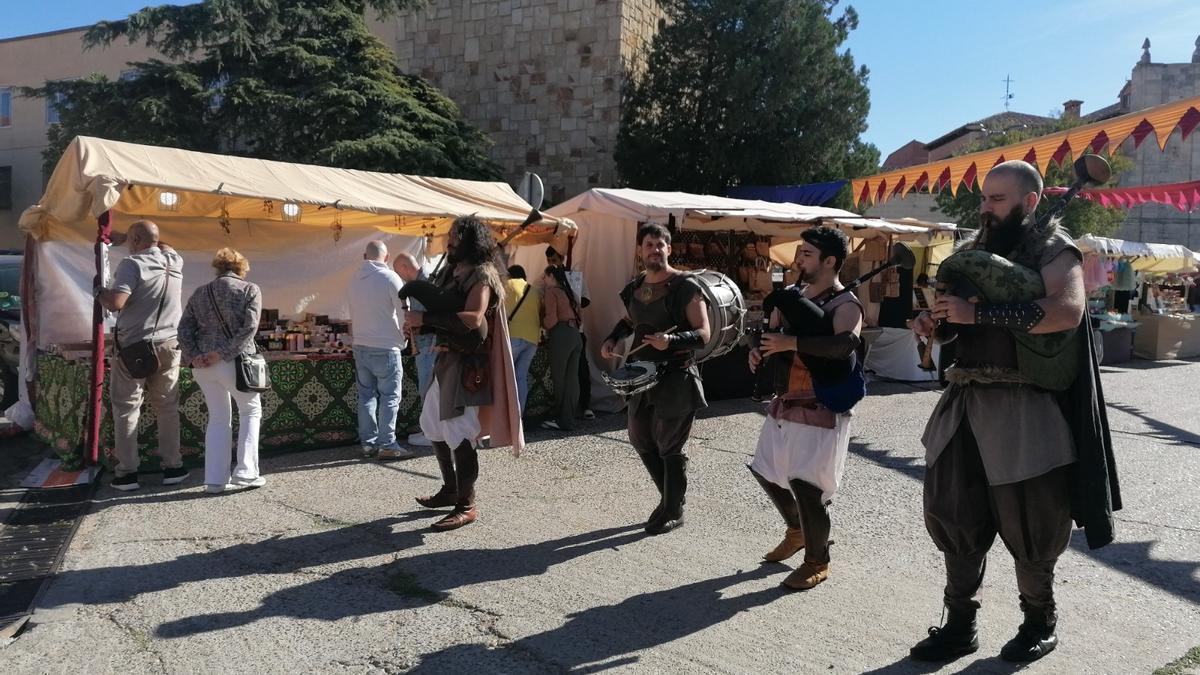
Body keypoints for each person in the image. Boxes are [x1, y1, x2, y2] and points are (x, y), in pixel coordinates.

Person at [909, 160, 1120, 663]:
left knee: (1031, 521)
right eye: (984, 198)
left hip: (1025, 406)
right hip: (965, 401)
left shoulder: (1054, 250)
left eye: (997, 199)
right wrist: (936, 323)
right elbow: (953, 324)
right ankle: (959, 625)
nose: (986, 208)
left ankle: (1038, 622)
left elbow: (1067, 312)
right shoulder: (971, 250)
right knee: (955, 514)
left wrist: (979, 313)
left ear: (1030, 201)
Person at [746, 226, 862, 591]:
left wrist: (790, 342)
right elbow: (773, 339)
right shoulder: (793, 296)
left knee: (807, 487)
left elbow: (843, 347)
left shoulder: (847, 305)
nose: (799, 259)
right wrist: (759, 351)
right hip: (786, 401)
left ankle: (817, 561)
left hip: (820, 404)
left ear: (830, 261)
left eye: (807, 254)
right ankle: (797, 531)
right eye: (801, 252)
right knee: (765, 471)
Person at [600, 222, 711, 535]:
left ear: (669, 249)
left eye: (660, 245)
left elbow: (704, 333)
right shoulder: (636, 287)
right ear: (640, 250)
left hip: (676, 375)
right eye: (649, 245)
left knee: (670, 444)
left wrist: (671, 341)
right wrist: (612, 337)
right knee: (640, 437)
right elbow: (630, 320)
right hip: (641, 375)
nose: (655, 250)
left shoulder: (686, 286)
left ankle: (673, 510)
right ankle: (669, 499)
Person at [406, 216, 509, 531]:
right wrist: (426, 323)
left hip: (468, 364)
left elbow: (474, 318)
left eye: (455, 236)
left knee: (459, 431)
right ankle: (451, 489)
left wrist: (425, 320)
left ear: (470, 241)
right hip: (447, 359)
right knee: (432, 424)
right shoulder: (452, 271)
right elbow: (445, 306)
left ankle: (467, 504)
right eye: (450, 234)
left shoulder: (482, 274)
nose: (449, 240)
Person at [95, 220, 187, 491]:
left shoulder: (132, 264)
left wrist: (99, 292)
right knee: (167, 408)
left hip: (134, 346)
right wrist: (132, 238)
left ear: (135, 240)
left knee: (126, 409)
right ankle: (173, 467)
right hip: (169, 344)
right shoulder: (175, 260)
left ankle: (127, 473)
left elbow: (116, 303)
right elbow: (163, 245)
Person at [178, 248, 266, 493]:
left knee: (218, 418)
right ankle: (246, 472)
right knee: (250, 411)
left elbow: (184, 330)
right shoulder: (250, 289)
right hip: (233, 362)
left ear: (217, 268)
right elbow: (249, 328)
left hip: (203, 365)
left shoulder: (199, 293)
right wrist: (223, 353)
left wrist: (194, 356)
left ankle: (215, 480)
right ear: (242, 268)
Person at [350, 241, 412, 460]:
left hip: (360, 345)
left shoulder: (354, 279)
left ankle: (368, 444)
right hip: (385, 346)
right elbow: (405, 312)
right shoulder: (390, 277)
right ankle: (387, 444)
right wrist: (405, 337)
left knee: (366, 396)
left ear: (364, 256)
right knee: (389, 397)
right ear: (386, 257)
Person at [546, 245, 595, 420]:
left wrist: (569, 295)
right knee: (568, 374)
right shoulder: (550, 280)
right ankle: (568, 412)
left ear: (562, 258)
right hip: (568, 329)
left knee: (576, 370)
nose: (552, 263)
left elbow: (585, 300)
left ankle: (581, 406)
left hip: (571, 329)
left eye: (554, 259)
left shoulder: (573, 278)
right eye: (549, 260)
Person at [394, 251, 435, 447]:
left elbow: (433, 314)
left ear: (405, 267)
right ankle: (429, 429)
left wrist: (418, 327)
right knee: (427, 388)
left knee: (428, 388)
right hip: (424, 343)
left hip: (428, 345)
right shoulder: (420, 283)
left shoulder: (425, 283)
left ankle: (431, 432)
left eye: (399, 272)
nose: (400, 277)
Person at [540, 265, 583, 431]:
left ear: (551, 276)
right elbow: (580, 316)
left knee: (559, 378)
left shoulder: (552, 292)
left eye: (545, 277)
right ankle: (569, 417)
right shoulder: (569, 292)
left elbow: (551, 319)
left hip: (561, 334)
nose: (543, 280)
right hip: (575, 335)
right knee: (572, 379)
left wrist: (541, 324)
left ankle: (560, 418)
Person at [505, 265, 540, 414]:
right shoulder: (534, 290)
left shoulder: (507, 285)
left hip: (514, 335)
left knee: (505, 375)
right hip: (533, 339)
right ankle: (519, 416)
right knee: (521, 377)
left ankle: (507, 416)